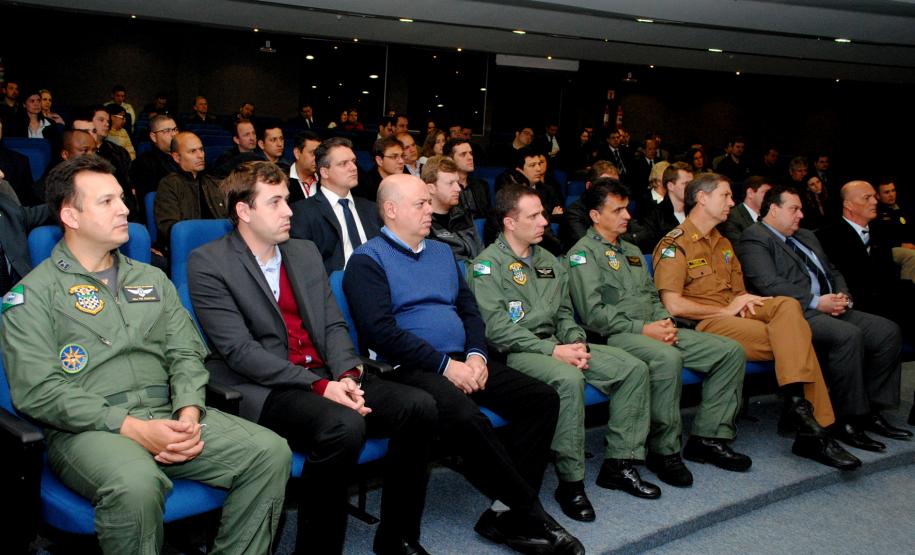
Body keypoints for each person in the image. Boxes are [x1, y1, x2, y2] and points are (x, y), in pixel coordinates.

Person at [0, 155, 290, 554]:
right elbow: (38, 391)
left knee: (270, 452)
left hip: (168, 412)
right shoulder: (31, 295)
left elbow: (186, 353)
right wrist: (133, 428)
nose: (124, 209)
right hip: (88, 430)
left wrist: (189, 410)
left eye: (121, 197)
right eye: (106, 202)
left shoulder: (151, 277)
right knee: (136, 484)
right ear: (71, 215)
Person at [189, 161, 436, 555]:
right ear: (243, 211)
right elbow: (240, 351)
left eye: (287, 201)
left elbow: (333, 325)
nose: (289, 211)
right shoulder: (209, 262)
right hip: (266, 386)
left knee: (419, 406)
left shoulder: (302, 252)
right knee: (344, 427)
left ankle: (398, 537)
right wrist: (323, 387)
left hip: (326, 374)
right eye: (275, 203)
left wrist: (348, 375)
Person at [343, 174, 583, 555]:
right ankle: (531, 514)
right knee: (467, 416)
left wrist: (476, 355)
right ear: (390, 210)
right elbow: (381, 333)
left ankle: (505, 513)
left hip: (463, 360)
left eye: (428, 202)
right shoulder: (367, 261)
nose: (430, 210)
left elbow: (470, 311)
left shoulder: (441, 253)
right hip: (408, 369)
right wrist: (445, 367)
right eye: (419, 204)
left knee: (541, 398)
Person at [470, 183, 660, 522]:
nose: (545, 221)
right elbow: (498, 329)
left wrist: (576, 342)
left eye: (543, 213)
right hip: (518, 351)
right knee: (568, 379)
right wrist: (554, 350)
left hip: (559, 343)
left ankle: (620, 462)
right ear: (510, 223)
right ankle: (570, 482)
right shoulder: (487, 266)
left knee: (633, 368)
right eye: (535, 216)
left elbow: (563, 314)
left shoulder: (549, 260)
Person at [652, 172, 860, 470]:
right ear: (701, 198)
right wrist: (725, 311)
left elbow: (739, 293)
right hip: (707, 321)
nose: (732, 201)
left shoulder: (723, 243)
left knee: (788, 307)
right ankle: (813, 427)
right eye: (724, 195)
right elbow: (672, 304)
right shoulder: (674, 243)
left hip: (738, 313)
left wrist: (745, 303)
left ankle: (800, 410)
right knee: (797, 338)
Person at [567, 179, 750, 485]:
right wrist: (644, 329)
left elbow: (653, 296)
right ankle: (664, 450)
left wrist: (664, 322)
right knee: (666, 359)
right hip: (618, 334)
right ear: (596, 216)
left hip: (655, 327)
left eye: (627, 208)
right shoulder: (582, 255)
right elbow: (594, 315)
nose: (627, 216)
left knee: (729, 351)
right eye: (618, 210)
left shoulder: (632, 250)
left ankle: (708, 437)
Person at [738, 184, 911, 450]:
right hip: (797, 314)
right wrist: (818, 302)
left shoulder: (806, 236)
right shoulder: (755, 237)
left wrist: (844, 297)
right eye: (794, 209)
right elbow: (768, 284)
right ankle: (846, 419)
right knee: (848, 336)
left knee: (887, 331)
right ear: (773, 209)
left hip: (831, 307)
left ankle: (870, 410)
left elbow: (832, 270)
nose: (801, 215)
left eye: (801, 209)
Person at [290, 137, 381, 274]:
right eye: (343, 164)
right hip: (332, 289)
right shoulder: (302, 212)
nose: (354, 168)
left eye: (353, 161)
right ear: (324, 172)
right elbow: (303, 268)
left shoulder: (372, 209)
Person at [153, 131, 227, 246]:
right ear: (177, 157)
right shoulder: (169, 185)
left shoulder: (213, 183)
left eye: (201, 150)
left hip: (220, 246)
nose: (200, 155)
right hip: (190, 247)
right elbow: (169, 228)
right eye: (193, 151)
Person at [422, 155, 483, 263]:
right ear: (431, 188)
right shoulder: (423, 223)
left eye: (457, 182)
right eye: (450, 183)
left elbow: (482, 254)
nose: (458, 189)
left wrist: (482, 276)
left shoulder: (463, 215)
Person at [0, 192, 51, 294]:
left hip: (21, 293)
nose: (2, 175)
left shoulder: (4, 202)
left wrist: (68, 204)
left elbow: (28, 215)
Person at [718, 175, 771, 245]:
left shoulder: (768, 216)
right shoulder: (731, 217)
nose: (770, 198)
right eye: (766, 193)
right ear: (750, 193)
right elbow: (742, 249)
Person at [288, 130, 321, 203]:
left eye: (319, 154)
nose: (317, 158)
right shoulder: (282, 180)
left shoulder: (325, 179)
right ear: (297, 153)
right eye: (313, 153)